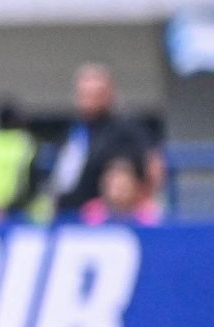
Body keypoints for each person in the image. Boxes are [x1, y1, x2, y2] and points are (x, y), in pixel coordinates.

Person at [45, 64, 162, 224]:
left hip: (105, 219)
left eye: (95, 94)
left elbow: (153, 165)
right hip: (68, 215)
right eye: (85, 94)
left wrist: (142, 200)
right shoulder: (73, 131)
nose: (89, 100)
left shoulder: (126, 127)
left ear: (109, 94)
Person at [81, 157, 162, 227]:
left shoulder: (146, 212)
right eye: (114, 186)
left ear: (134, 186)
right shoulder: (92, 211)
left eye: (123, 186)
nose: (118, 192)